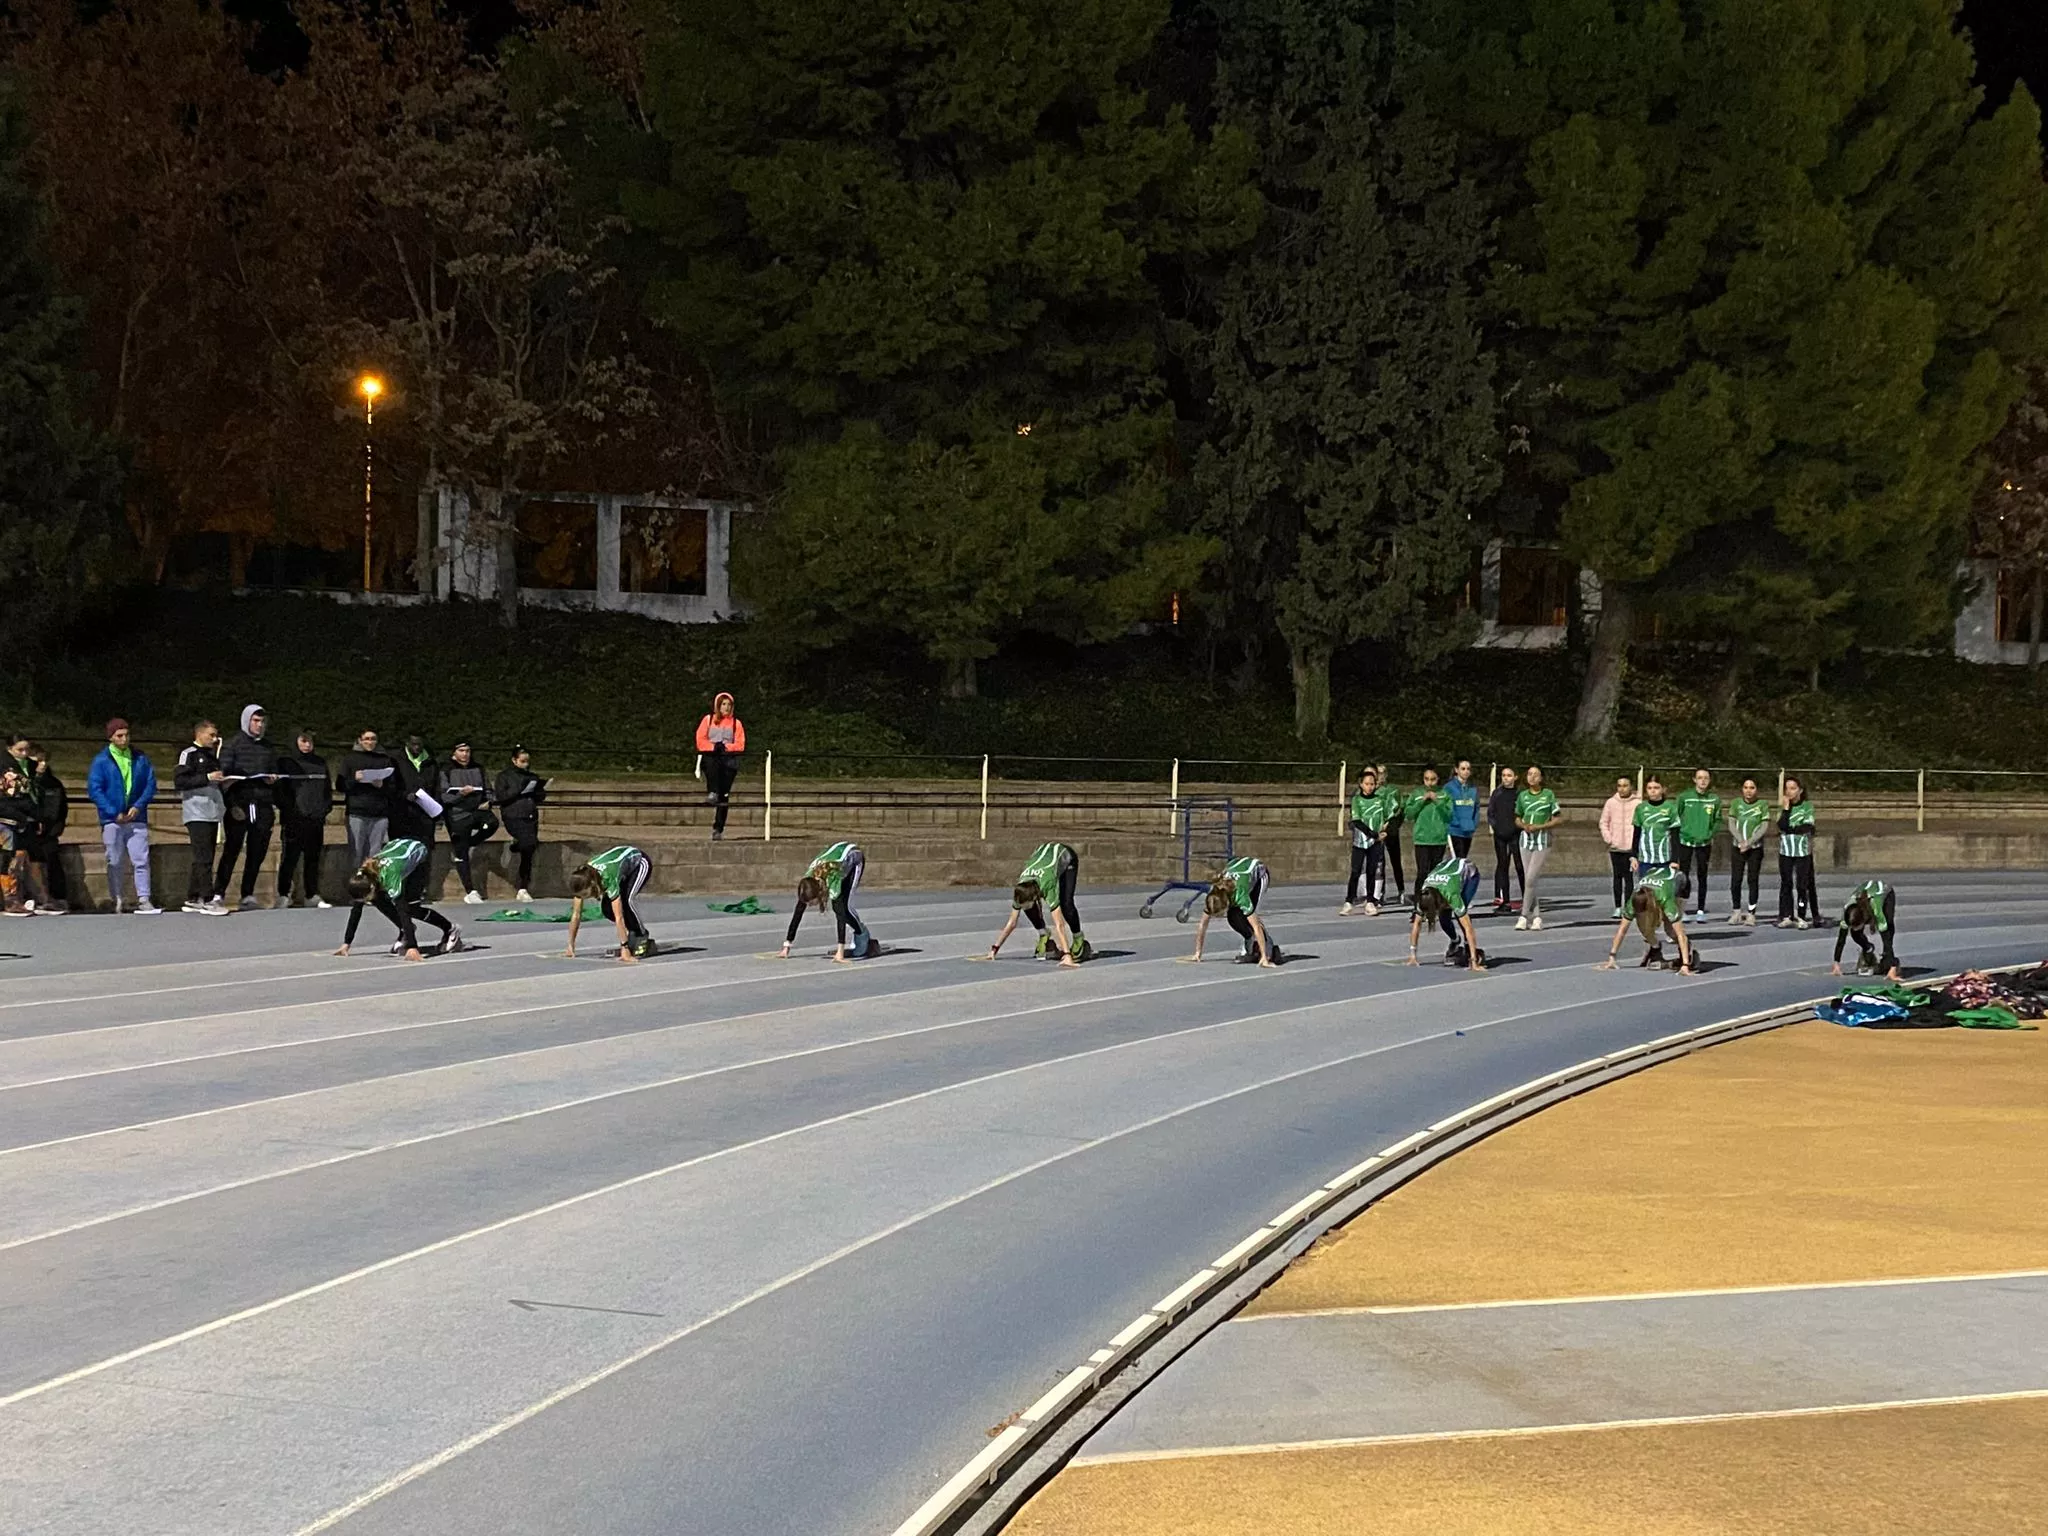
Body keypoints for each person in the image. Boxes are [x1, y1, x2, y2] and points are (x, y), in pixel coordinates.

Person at [333, 837, 459, 962]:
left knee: (411, 908)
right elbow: (356, 910)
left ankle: (450, 929)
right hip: (396, 855)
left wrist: (412, 947)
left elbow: (402, 909)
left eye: (365, 898)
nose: (366, 902)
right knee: (377, 899)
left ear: (371, 886)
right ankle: (405, 929)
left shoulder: (390, 874)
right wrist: (346, 944)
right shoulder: (362, 876)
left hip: (418, 859)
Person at [87, 719, 158, 914]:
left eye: (126, 735)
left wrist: (138, 805)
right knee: (115, 860)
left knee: (141, 860)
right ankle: (117, 897)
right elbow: (95, 789)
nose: (124, 739)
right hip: (112, 819)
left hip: (136, 817)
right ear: (110, 737)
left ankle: (144, 898)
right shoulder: (101, 761)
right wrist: (112, 811)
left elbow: (150, 784)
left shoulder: (140, 758)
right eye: (119, 735)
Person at [213, 704, 280, 910]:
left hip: (262, 804)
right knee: (232, 848)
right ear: (247, 721)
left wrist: (272, 779)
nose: (260, 725)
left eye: (262, 721)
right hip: (239, 803)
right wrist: (231, 803)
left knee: (257, 850)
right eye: (255, 721)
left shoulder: (268, 747)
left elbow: (274, 771)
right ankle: (218, 892)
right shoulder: (233, 745)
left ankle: (248, 893)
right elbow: (223, 776)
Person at [989, 841, 1087, 964]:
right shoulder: (1021, 889)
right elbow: (1012, 922)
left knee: (1066, 903)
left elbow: (1059, 924)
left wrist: (1067, 955)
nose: (1024, 909)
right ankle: (1043, 933)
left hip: (1066, 857)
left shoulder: (1047, 885)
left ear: (1036, 897)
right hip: (1042, 856)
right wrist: (994, 949)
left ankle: (1078, 937)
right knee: (1027, 905)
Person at [7, 736, 69, 913]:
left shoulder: (49, 782)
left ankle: (46, 897)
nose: (39, 765)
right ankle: (14, 899)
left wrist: (47, 826)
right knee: (15, 859)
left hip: (39, 827)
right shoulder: (11, 773)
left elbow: (53, 807)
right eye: (21, 751)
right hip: (16, 822)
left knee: (42, 857)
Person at [1597, 864, 1696, 975]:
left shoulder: (1664, 898)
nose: (1642, 916)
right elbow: (1622, 929)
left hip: (1679, 883)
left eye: (1644, 912)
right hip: (1655, 881)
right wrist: (1612, 957)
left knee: (1670, 930)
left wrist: (1685, 966)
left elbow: (1680, 933)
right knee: (1644, 927)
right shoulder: (1632, 901)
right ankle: (1655, 948)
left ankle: (1687, 954)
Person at [782, 841, 872, 961]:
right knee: (838, 906)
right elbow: (798, 912)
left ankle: (862, 934)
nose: (810, 906)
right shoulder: (808, 880)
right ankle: (856, 937)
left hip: (854, 858)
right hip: (837, 858)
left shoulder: (832, 879)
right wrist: (787, 946)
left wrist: (840, 952)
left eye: (811, 903)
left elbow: (840, 916)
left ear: (819, 893)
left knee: (843, 908)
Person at [173, 721, 228, 915]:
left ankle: (193, 897)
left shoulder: (213, 757)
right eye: (211, 735)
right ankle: (208, 898)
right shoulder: (188, 754)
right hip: (196, 812)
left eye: (216, 735)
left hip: (212, 812)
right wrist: (207, 778)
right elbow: (180, 781)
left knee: (205, 856)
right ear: (199, 734)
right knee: (203, 857)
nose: (214, 739)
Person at [275, 729, 333, 908]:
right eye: (303, 741)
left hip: (315, 819)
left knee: (313, 859)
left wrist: (323, 810)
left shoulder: (320, 763)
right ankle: (284, 894)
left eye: (310, 741)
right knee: (289, 858)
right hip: (293, 819)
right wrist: (290, 811)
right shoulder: (285, 763)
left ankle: (311, 894)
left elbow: (327, 791)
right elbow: (279, 791)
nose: (307, 745)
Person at [566, 845, 654, 961]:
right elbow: (576, 915)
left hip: (639, 862)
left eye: (585, 894)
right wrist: (570, 945)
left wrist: (624, 949)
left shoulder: (608, 877)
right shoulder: (584, 877)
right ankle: (632, 932)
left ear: (592, 884)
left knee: (626, 901)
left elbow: (619, 917)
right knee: (607, 909)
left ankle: (641, 934)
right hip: (621, 868)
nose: (585, 898)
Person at [1191, 855, 1278, 967]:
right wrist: (1198, 953)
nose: (1218, 918)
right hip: (1238, 872)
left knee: (1251, 916)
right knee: (1233, 917)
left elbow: (1256, 926)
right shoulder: (1214, 895)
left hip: (1259, 875)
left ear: (1227, 903)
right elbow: (1202, 924)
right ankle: (1250, 942)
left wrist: (1264, 959)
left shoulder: (1240, 895)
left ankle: (1268, 946)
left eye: (1219, 914)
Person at [440, 740, 498, 904]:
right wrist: (461, 794)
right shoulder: (446, 769)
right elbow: (444, 796)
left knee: (492, 823)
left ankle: (472, 841)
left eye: (467, 751)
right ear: (454, 753)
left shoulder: (478, 768)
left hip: (477, 811)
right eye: (461, 751)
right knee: (461, 852)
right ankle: (470, 890)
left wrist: (488, 801)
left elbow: (488, 789)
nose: (465, 754)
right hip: (458, 814)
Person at [1407, 854, 1485, 971]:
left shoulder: (1451, 894)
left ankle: (1469, 950)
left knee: (1461, 916)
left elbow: (1468, 927)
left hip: (1469, 874)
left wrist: (1474, 962)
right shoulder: (1425, 894)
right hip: (1445, 874)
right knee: (1444, 919)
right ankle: (1455, 941)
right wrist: (1413, 955)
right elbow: (1416, 924)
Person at [336, 729, 398, 868]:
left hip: (380, 813)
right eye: (366, 739)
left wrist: (381, 785)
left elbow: (393, 787)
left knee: (376, 854)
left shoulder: (384, 760)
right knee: (356, 852)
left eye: (373, 739)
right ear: (360, 740)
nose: (370, 742)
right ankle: (356, 879)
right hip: (357, 812)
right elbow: (340, 785)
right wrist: (354, 779)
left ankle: (371, 880)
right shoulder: (350, 759)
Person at [494, 746, 547, 901]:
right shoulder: (504, 776)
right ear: (514, 760)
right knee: (527, 842)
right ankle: (515, 845)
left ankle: (523, 886)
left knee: (529, 850)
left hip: (529, 815)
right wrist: (520, 789)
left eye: (527, 761)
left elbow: (539, 797)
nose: (525, 764)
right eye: (522, 761)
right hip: (513, 815)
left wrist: (539, 790)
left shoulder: (532, 776)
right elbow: (502, 796)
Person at [1343, 768, 1397, 916]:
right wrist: (1372, 834)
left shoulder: (1380, 800)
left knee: (1372, 871)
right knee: (1356, 871)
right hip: (1360, 841)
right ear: (1361, 784)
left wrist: (1385, 831)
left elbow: (1390, 815)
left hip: (1376, 843)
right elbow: (1357, 820)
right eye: (1366, 784)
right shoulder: (1357, 800)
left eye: (1372, 784)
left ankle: (1371, 901)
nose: (1369, 787)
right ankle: (1349, 900)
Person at [1513, 765, 1560, 931]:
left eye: (1536, 774)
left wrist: (1540, 826)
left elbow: (1557, 818)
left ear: (1541, 778)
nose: (1532, 777)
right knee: (1529, 880)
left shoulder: (1548, 794)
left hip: (1542, 840)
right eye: (1529, 774)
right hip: (1525, 841)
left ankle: (1523, 916)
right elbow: (1517, 817)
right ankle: (1537, 917)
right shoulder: (1522, 796)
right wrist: (1523, 825)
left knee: (1531, 878)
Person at [695, 693, 747, 842]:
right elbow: (700, 739)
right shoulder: (708, 720)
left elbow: (740, 744)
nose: (726, 707)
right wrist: (713, 747)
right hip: (712, 758)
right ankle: (712, 791)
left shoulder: (736, 723)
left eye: (729, 705)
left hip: (728, 761)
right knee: (712, 768)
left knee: (724, 796)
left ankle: (718, 828)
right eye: (723, 704)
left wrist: (726, 747)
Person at [1676, 768, 1722, 920]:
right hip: (1685, 841)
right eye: (1700, 778)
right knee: (1683, 876)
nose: (1703, 781)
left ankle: (1701, 910)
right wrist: (1681, 833)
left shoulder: (1714, 799)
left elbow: (1717, 820)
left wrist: (1709, 834)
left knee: (1702, 875)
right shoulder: (1685, 797)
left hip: (1704, 843)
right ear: (1694, 779)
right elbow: (1676, 816)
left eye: (1706, 778)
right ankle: (1682, 909)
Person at [1832, 879, 1900, 980]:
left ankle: (1889, 959)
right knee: (1855, 934)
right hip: (1864, 899)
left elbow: (1886, 938)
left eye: (1855, 926)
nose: (1852, 929)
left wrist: (1893, 967)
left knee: (1888, 927)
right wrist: (1836, 963)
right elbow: (1841, 938)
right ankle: (1868, 948)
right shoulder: (1848, 909)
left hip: (1886, 894)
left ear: (1863, 920)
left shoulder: (1876, 908)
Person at [0, 767, 46, 914]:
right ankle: (9, 900)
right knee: (7, 861)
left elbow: (31, 807)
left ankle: (18, 897)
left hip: (17, 830)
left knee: (17, 860)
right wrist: (21, 817)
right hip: (5, 829)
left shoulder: (19, 790)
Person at [1726, 778, 1771, 926]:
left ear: (1756, 790)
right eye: (1746, 787)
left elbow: (1764, 826)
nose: (1748, 791)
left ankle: (1751, 913)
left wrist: (1750, 842)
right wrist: (1741, 841)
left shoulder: (1762, 805)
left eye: (1752, 787)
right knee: (1736, 880)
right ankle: (1736, 911)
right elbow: (1732, 824)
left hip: (1755, 849)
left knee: (1752, 880)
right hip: (1738, 847)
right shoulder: (1736, 803)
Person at [1776, 777, 1818, 928]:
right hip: (1786, 851)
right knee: (1786, 883)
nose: (1789, 792)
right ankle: (1786, 915)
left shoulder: (1807, 806)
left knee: (1802, 885)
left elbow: (1807, 827)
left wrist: (1791, 829)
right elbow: (1781, 825)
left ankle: (1801, 915)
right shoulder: (1783, 807)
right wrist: (1786, 810)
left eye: (1793, 788)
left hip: (1802, 852)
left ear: (1800, 790)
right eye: (1787, 788)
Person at [392, 734, 443, 851]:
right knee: (403, 849)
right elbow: (392, 786)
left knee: (424, 849)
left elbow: (436, 787)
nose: (417, 747)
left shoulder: (431, 762)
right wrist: (405, 795)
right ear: (407, 743)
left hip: (425, 813)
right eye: (414, 744)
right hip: (402, 813)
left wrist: (436, 811)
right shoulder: (396, 760)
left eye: (420, 744)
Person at [1404, 766, 1453, 880]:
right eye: (1426, 779)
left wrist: (1437, 801)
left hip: (1438, 839)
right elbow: (1408, 814)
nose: (1429, 783)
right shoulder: (1416, 794)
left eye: (1433, 779)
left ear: (1438, 779)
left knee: (1435, 873)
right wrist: (1421, 801)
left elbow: (1449, 815)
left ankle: (1433, 892)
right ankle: (1419, 892)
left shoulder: (1444, 794)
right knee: (1422, 872)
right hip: (1422, 839)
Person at [1599, 776, 1637, 918]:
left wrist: (1635, 843)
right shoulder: (1611, 802)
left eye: (1625, 785)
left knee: (1629, 878)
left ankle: (1628, 906)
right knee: (1617, 876)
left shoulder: (1637, 803)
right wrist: (1609, 839)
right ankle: (1617, 907)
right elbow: (1603, 822)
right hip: (1615, 847)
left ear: (1631, 786)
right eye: (1619, 785)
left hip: (1630, 848)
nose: (1622, 788)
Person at [1486, 766, 1523, 913]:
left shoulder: (1519, 794)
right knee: (1502, 866)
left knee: (1520, 866)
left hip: (1516, 835)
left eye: (1509, 775)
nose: (1506, 778)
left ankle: (1527, 899)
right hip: (1501, 836)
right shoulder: (1497, 793)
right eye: (1503, 775)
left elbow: (1523, 813)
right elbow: (1491, 813)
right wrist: (1497, 828)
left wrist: (1518, 828)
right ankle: (1505, 901)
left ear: (1515, 777)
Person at [1631, 775, 1682, 877]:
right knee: (1646, 886)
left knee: (1663, 887)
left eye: (1656, 788)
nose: (1653, 791)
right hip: (1645, 859)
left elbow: (1675, 836)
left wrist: (1674, 859)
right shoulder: (1640, 808)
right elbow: (1636, 834)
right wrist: (1633, 856)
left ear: (1663, 789)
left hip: (1665, 859)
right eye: (1649, 788)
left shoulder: (1671, 808)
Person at [1376, 763, 1406, 904]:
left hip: (1391, 829)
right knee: (1378, 862)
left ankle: (1401, 890)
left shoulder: (1393, 790)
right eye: (1378, 773)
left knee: (1395, 860)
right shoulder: (1373, 791)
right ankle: (1379, 892)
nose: (1381, 776)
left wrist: (1392, 825)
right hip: (1376, 829)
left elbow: (1400, 810)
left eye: (1383, 773)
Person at [1446, 760, 1480, 860]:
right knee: (1457, 860)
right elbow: (1448, 809)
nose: (1466, 771)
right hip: (1455, 831)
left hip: (1468, 831)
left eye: (1468, 769)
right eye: (1463, 769)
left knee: (1463, 859)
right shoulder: (1449, 788)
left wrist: (1474, 823)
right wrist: (1457, 823)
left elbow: (1476, 807)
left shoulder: (1473, 789)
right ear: (1456, 770)